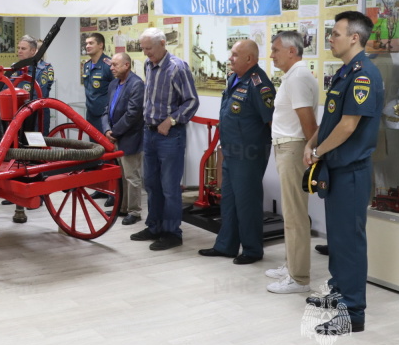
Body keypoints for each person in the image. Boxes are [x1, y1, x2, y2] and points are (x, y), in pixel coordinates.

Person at [304, 11, 383, 335]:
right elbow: (331, 120)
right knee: (336, 239)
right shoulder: (345, 73)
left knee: (349, 242)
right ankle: (339, 293)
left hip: (351, 171)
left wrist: (319, 151)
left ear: (354, 37)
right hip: (334, 169)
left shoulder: (364, 75)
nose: (330, 39)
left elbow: (349, 126)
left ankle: (353, 312)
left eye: (336, 33)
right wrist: (312, 143)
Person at [199, 40, 275, 264]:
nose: (230, 58)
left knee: (247, 202)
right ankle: (226, 245)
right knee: (229, 200)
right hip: (231, 150)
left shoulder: (260, 84)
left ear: (249, 59)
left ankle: (252, 250)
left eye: (234, 55)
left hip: (249, 153)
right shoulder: (234, 79)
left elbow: (271, 122)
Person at [131, 28, 199, 251]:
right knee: (151, 184)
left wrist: (170, 121)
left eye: (149, 48)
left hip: (170, 135)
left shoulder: (177, 68)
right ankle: (154, 227)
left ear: (162, 43)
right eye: (143, 48)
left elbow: (191, 101)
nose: (145, 52)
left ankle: (172, 233)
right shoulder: (148, 65)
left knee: (169, 187)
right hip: (149, 133)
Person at [264, 31, 318, 293]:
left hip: (294, 148)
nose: (272, 54)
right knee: (290, 214)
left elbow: (308, 123)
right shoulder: (293, 76)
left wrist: (312, 152)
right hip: (287, 147)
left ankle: (299, 278)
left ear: (291, 52)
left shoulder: (297, 78)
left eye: (275, 50)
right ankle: (291, 265)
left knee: (295, 215)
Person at [101, 53, 145, 225]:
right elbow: (106, 110)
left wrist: (114, 132)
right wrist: (106, 129)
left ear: (127, 65)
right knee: (120, 175)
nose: (111, 68)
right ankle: (122, 208)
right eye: (111, 64)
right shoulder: (113, 84)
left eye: (115, 65)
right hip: (114, 136)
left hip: (129, 137)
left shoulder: (136, 84)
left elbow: (133, 114)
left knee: (132, 176)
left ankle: (134, 211)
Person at [13, 35, 54, 135]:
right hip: (18, 116)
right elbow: (7, 91)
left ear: (33, 51)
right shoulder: (15, 68)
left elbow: (39, 96)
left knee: (37, 149)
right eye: (18, 48)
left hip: (37, 117)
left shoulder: (43, 69)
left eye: (23, 48)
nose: (19, 51)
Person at [82, 32, 114, 133]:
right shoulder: (86, 65)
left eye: (91, 43)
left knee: (106, 148)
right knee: (93, 147)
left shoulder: (109, 65)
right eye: (86, 43)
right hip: (91, 114)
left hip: (105, 116)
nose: (87, 46)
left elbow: (117, 91)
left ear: (101, 45)